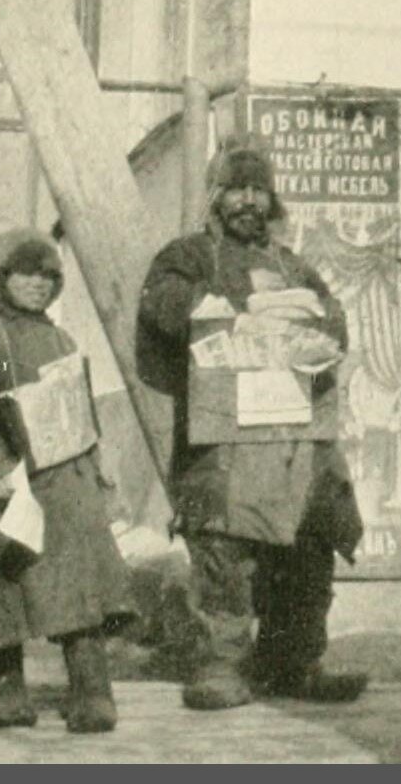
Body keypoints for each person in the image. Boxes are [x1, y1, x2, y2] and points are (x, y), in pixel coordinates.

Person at [136, 141, 368, 710]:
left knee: (308, 546)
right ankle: (222, 666)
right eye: (236, 189)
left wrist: (309, 320)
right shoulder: (189, 256)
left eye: (258, 190)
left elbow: (333, 319)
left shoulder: (293, 265)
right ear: (216, 196)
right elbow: (162, 303)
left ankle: (295, 663)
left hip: (292, 436)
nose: (248, 201)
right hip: (224, 441)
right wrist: (230, 308)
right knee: (224, 554)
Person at [0, 227, 137, 734]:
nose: (38, 283)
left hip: (62, 481)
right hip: (2, 488)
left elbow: (78, 414)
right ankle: (3, 689)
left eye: (48, 275)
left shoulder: (63, 340)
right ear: (3, 277)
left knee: (80, 588)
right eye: (25, 273)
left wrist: (98, 478)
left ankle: (91, 692)